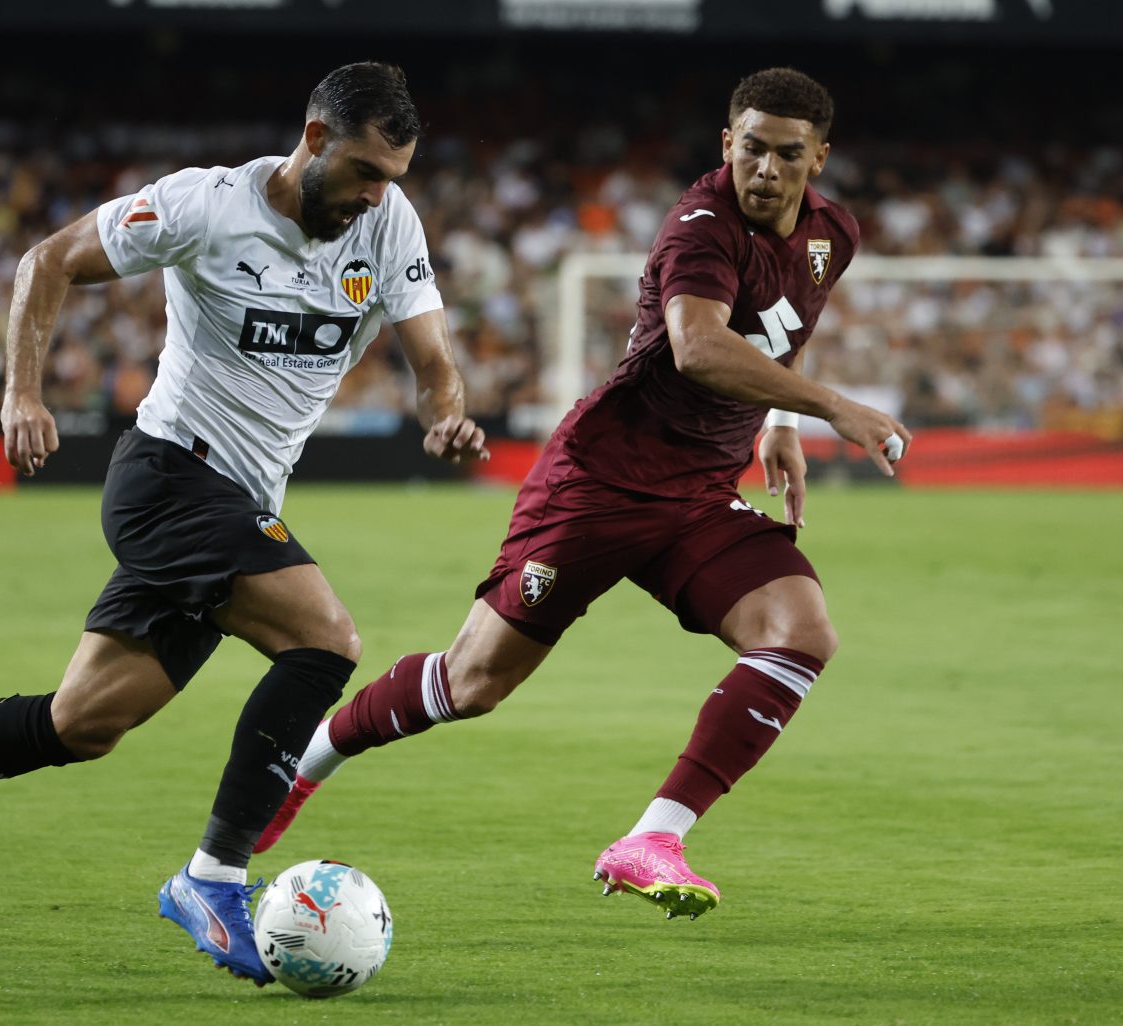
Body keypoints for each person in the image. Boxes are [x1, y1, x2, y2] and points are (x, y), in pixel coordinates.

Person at [0, 62, 487, 985]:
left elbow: (434, 361)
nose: (376, 195)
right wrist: (22, 392)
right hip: (168, 477)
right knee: (325, 642)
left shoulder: (388, 223)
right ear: (315, 138)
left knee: (81, 723)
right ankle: (214, 877)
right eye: (365, 171)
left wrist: (446, 413)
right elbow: (47, 260)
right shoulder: (205, 206)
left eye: (392, 178)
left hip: (238, 505)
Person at [255, 67, 913, 922]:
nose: (765, 168)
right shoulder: (701, 228)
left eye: (788, 154)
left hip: (699, 494)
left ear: (818, 158)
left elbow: (783, 325)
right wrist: (830, 407)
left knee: (800, 632)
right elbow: (698, 347)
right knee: (473, 682)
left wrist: (779, 424)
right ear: (727, 144)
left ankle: (653, 839)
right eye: (751, 147)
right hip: (601, 481)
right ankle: (305, 763)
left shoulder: (833, 234)